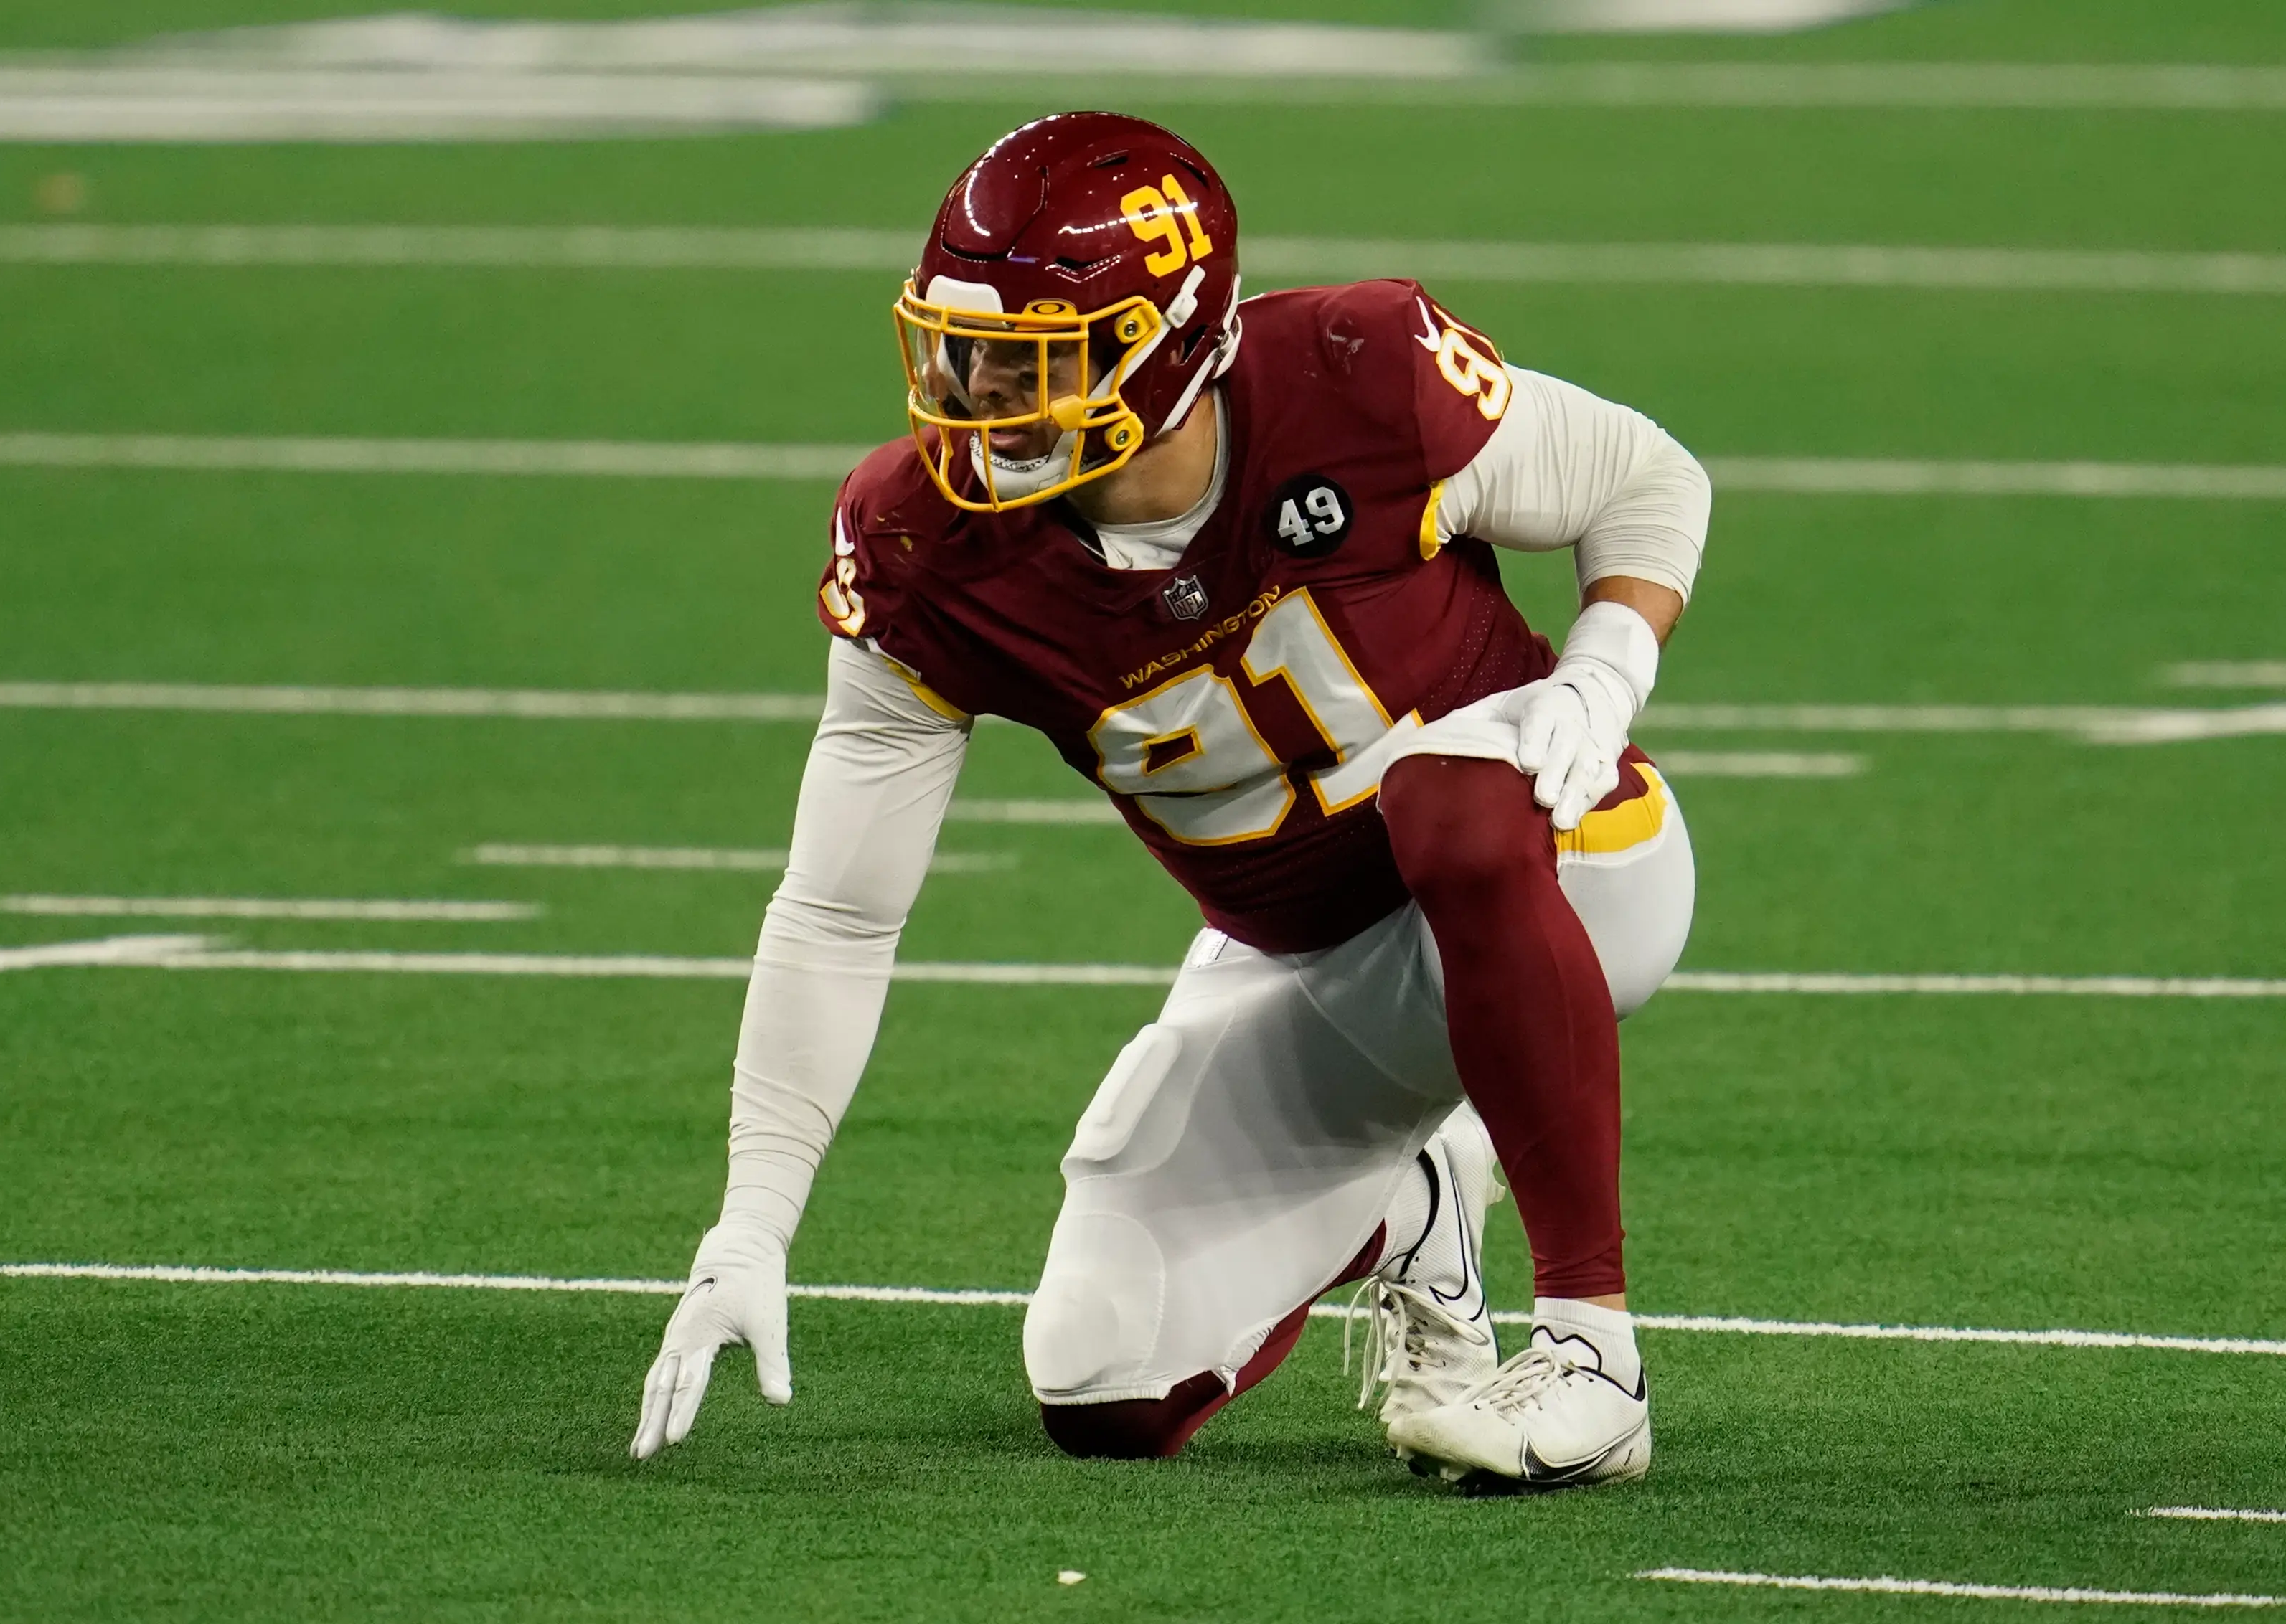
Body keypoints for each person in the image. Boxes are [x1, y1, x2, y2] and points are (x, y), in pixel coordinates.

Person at [631, 110, 1709, 1492]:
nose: (971, 403)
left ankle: (1591, 1353)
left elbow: (1644, 475)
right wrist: (752, 1224)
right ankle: (1418, 1195)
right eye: (960, 355)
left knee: (1445, 789)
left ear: (1170, 344)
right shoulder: (925, 547)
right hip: (1304, 960)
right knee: (1102, 1385)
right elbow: (840, 911)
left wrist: (1597, 685)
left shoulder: (1355, 371)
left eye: (1028, 362)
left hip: (1569, 865)